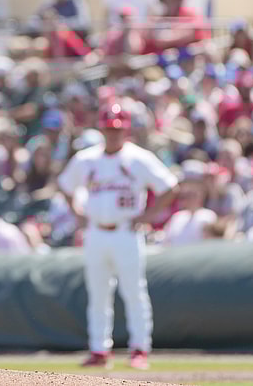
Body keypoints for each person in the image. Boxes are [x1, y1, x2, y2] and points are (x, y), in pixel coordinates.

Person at [57, 101, 179, 370]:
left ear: (126, 130)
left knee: (134, 291)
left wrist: (149, 215)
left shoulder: (138, 157)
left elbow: (169, 186)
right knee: (98, 293)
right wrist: (76, 211)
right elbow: (65, 184)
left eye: (117, 128)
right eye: (109, 128)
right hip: (96, 231)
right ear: (101, 129)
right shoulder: (87, 158)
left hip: (126, 230)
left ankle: (139, 348)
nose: (113, 133)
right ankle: (99, 349)